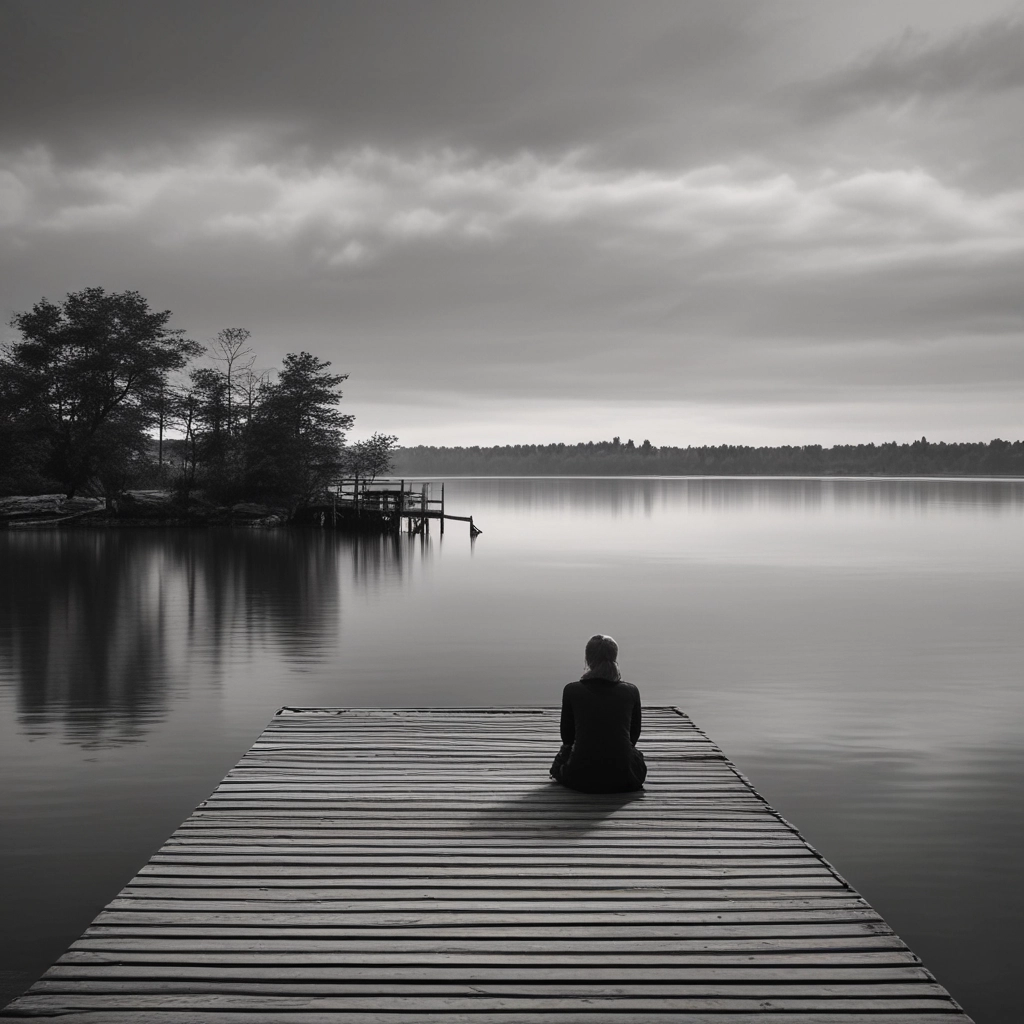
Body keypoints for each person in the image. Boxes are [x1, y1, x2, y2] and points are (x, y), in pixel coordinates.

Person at [549, 634, 647, 793]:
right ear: (615, 657)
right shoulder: (631, 691)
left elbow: (567, 737)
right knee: (634, 754)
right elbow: (633, 737)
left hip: (579, 778)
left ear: (588, 659)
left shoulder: (572, 690)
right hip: (625, 777)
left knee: (563, 756)